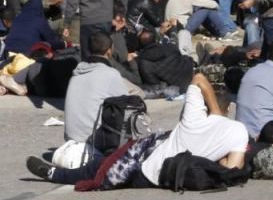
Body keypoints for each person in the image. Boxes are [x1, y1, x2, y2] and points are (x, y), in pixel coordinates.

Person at [28, 72, 249, 188]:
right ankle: (58, 167)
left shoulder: (194, 116)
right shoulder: (238, 131)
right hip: (164, 173)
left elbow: (199, 78)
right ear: (229, 109)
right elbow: (233, 168)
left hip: (149, 165)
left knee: (99, 169)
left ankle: (55, 174)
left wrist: (214, 112)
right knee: (104, 167)